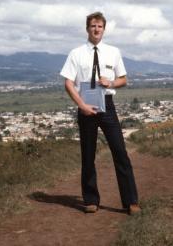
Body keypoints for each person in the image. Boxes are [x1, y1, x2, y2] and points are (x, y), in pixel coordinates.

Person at [60, 11, 141, 215]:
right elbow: (68, 83)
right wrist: (82, 105)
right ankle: (90, 200)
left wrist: (111, 82)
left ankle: (131, 201)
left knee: (120, 152)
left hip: (107, 105)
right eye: (93, 26)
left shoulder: (113, 52)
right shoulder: (76, 53)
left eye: (100, 26)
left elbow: (124, 79)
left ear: (104, 29)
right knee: (87, 155)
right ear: (87, 28)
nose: (96, 29)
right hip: (85, 105)